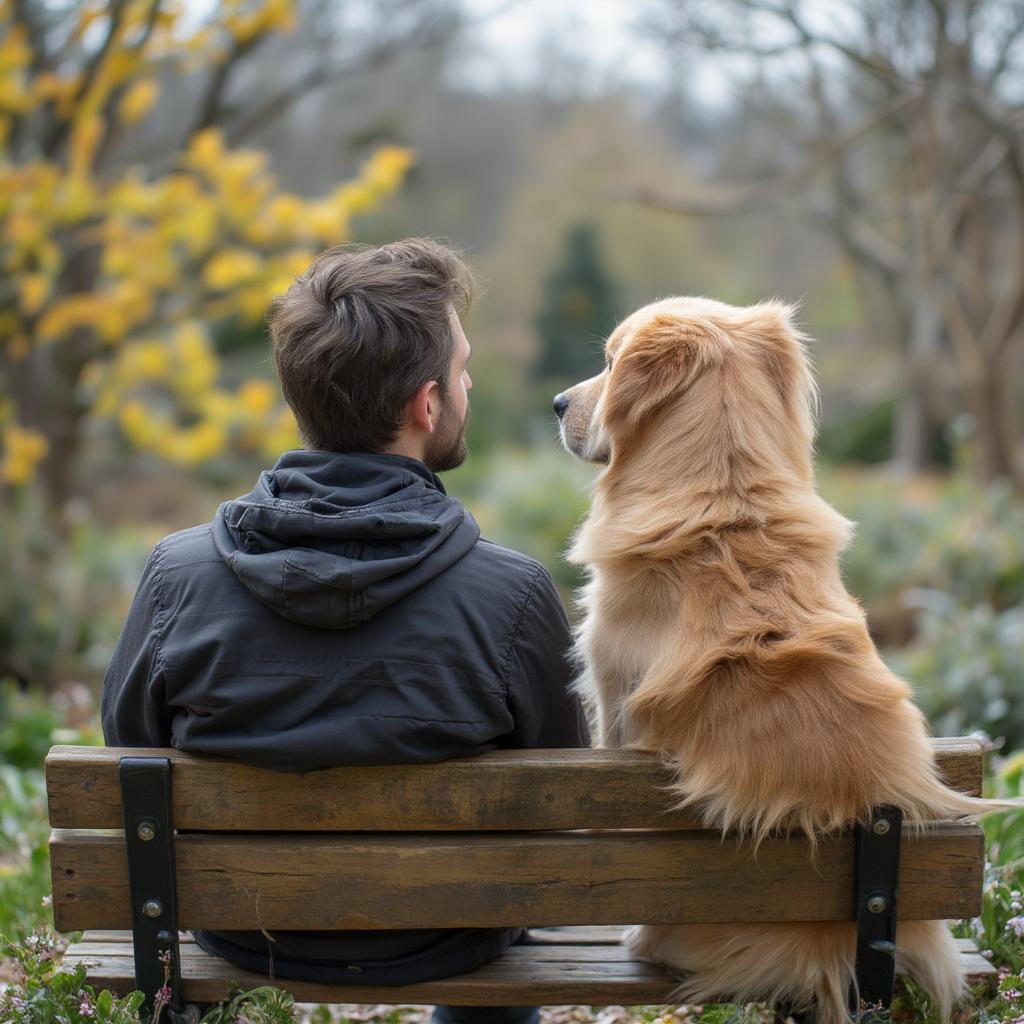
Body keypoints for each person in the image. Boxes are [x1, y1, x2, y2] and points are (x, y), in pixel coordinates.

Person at [101, 238, 590, 1024]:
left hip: (242, 929)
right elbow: (561, 794)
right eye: (462, 372)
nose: (469, 385)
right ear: (426, 406)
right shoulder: (514, 595)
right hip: (452, 934)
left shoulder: (175, 577)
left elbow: (131, 747)